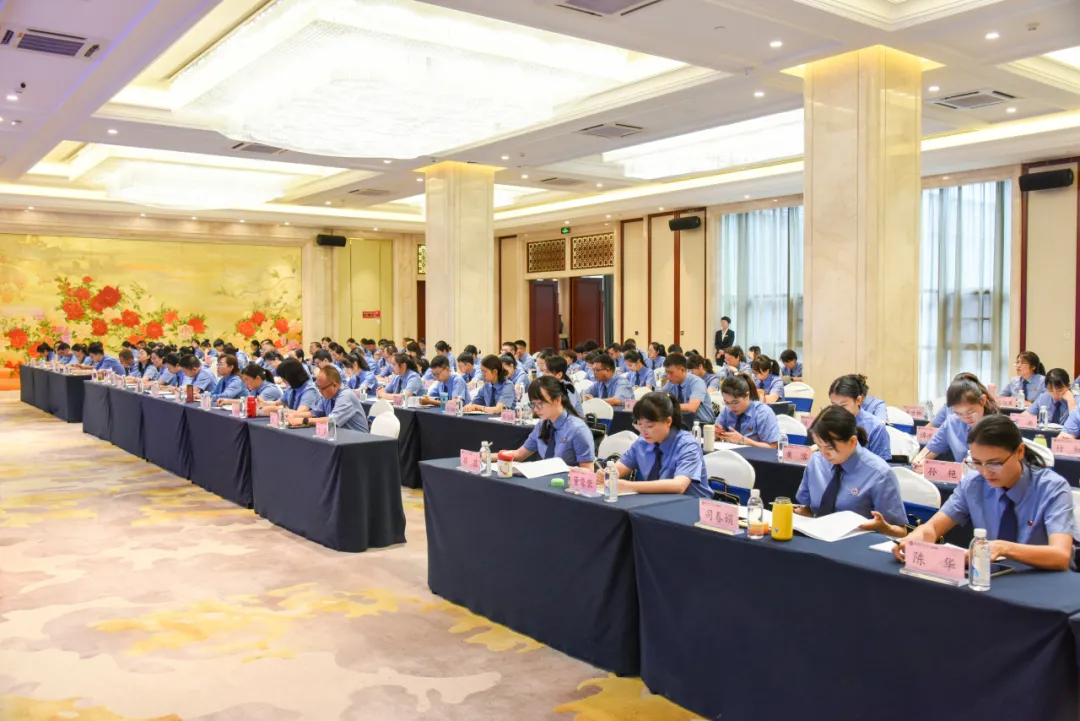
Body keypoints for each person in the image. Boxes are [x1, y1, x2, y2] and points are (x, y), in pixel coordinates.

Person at [895, 415, 1077, 571]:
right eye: (976, 463)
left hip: (1043, 580)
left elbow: (1060, 556)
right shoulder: (973, 484)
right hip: (991, 579)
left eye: (994, 463)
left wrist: (1004, 548)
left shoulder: (1052, 488)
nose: (985, 472)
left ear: (1019, 452)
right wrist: (917, 538)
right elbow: (933, 528)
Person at [796, 406, 908, 537]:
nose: (824, 454)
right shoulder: (816, 462)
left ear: (852, 441)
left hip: (859, 544)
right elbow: (808, 508)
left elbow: (902, 533)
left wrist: (883, 527)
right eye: (819, 446)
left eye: (830, 448)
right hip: (817, 539)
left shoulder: (880, 474)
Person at [599, 392, 711, 497]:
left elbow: (679, 485)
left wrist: (629, 486)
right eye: (639, 425)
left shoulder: (687, 445)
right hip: (656, 502)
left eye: (649, 426)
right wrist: (608, 474)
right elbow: (620, 468)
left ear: (668, 421)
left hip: (693, 505)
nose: (643, 431)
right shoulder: (642, 442)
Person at [912, 377, 1000, 472]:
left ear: (983, 400)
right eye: (959, 414)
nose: (965, 418)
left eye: (970, 412)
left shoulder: (999, 426)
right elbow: (928, 451)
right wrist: (919, 462)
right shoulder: (952, 423)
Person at [510, 376, 595, 469]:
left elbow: (588, 470)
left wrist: (558, 468)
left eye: (540, 404)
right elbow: (519, 454)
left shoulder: (578, 429)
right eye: (533, 404)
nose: (535, 409)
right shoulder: (542, 424)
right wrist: (497, 456)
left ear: (557, 400)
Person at [828, 375, 893, 461]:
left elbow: (881, 466)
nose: (838, 410)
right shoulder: (828, 423)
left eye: (843, 405)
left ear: (858, 400)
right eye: (834, 405)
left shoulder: (876, 428)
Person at [288, 366, 369, 433]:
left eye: (322, 388)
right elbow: (315, 413)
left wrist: (304, 420)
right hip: (339, 435)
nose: (320, 391)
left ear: (334, 385)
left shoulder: (346, 396)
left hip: (358, 440)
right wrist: (294, 415)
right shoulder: (327, 395)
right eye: (318, 387)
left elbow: (331, 421)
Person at [714, 373, 780, 448]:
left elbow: (773, 446)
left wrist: (742, 440)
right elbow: (717, 433)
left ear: (747, 395)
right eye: (727, 402)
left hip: (755, 455)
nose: (731, 407)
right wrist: (715, 433)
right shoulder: (727, 410)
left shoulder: (763, 413)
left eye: (735, 402)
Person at [661, 353, 715, 425]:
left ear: (682, 370)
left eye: (671, 373)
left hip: (702, 423)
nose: (668, 376)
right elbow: (659, 398)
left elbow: (692, 407)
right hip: (682, 423)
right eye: (666, 373)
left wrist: (668, 407)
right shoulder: (671, 383)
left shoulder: (697, 382)